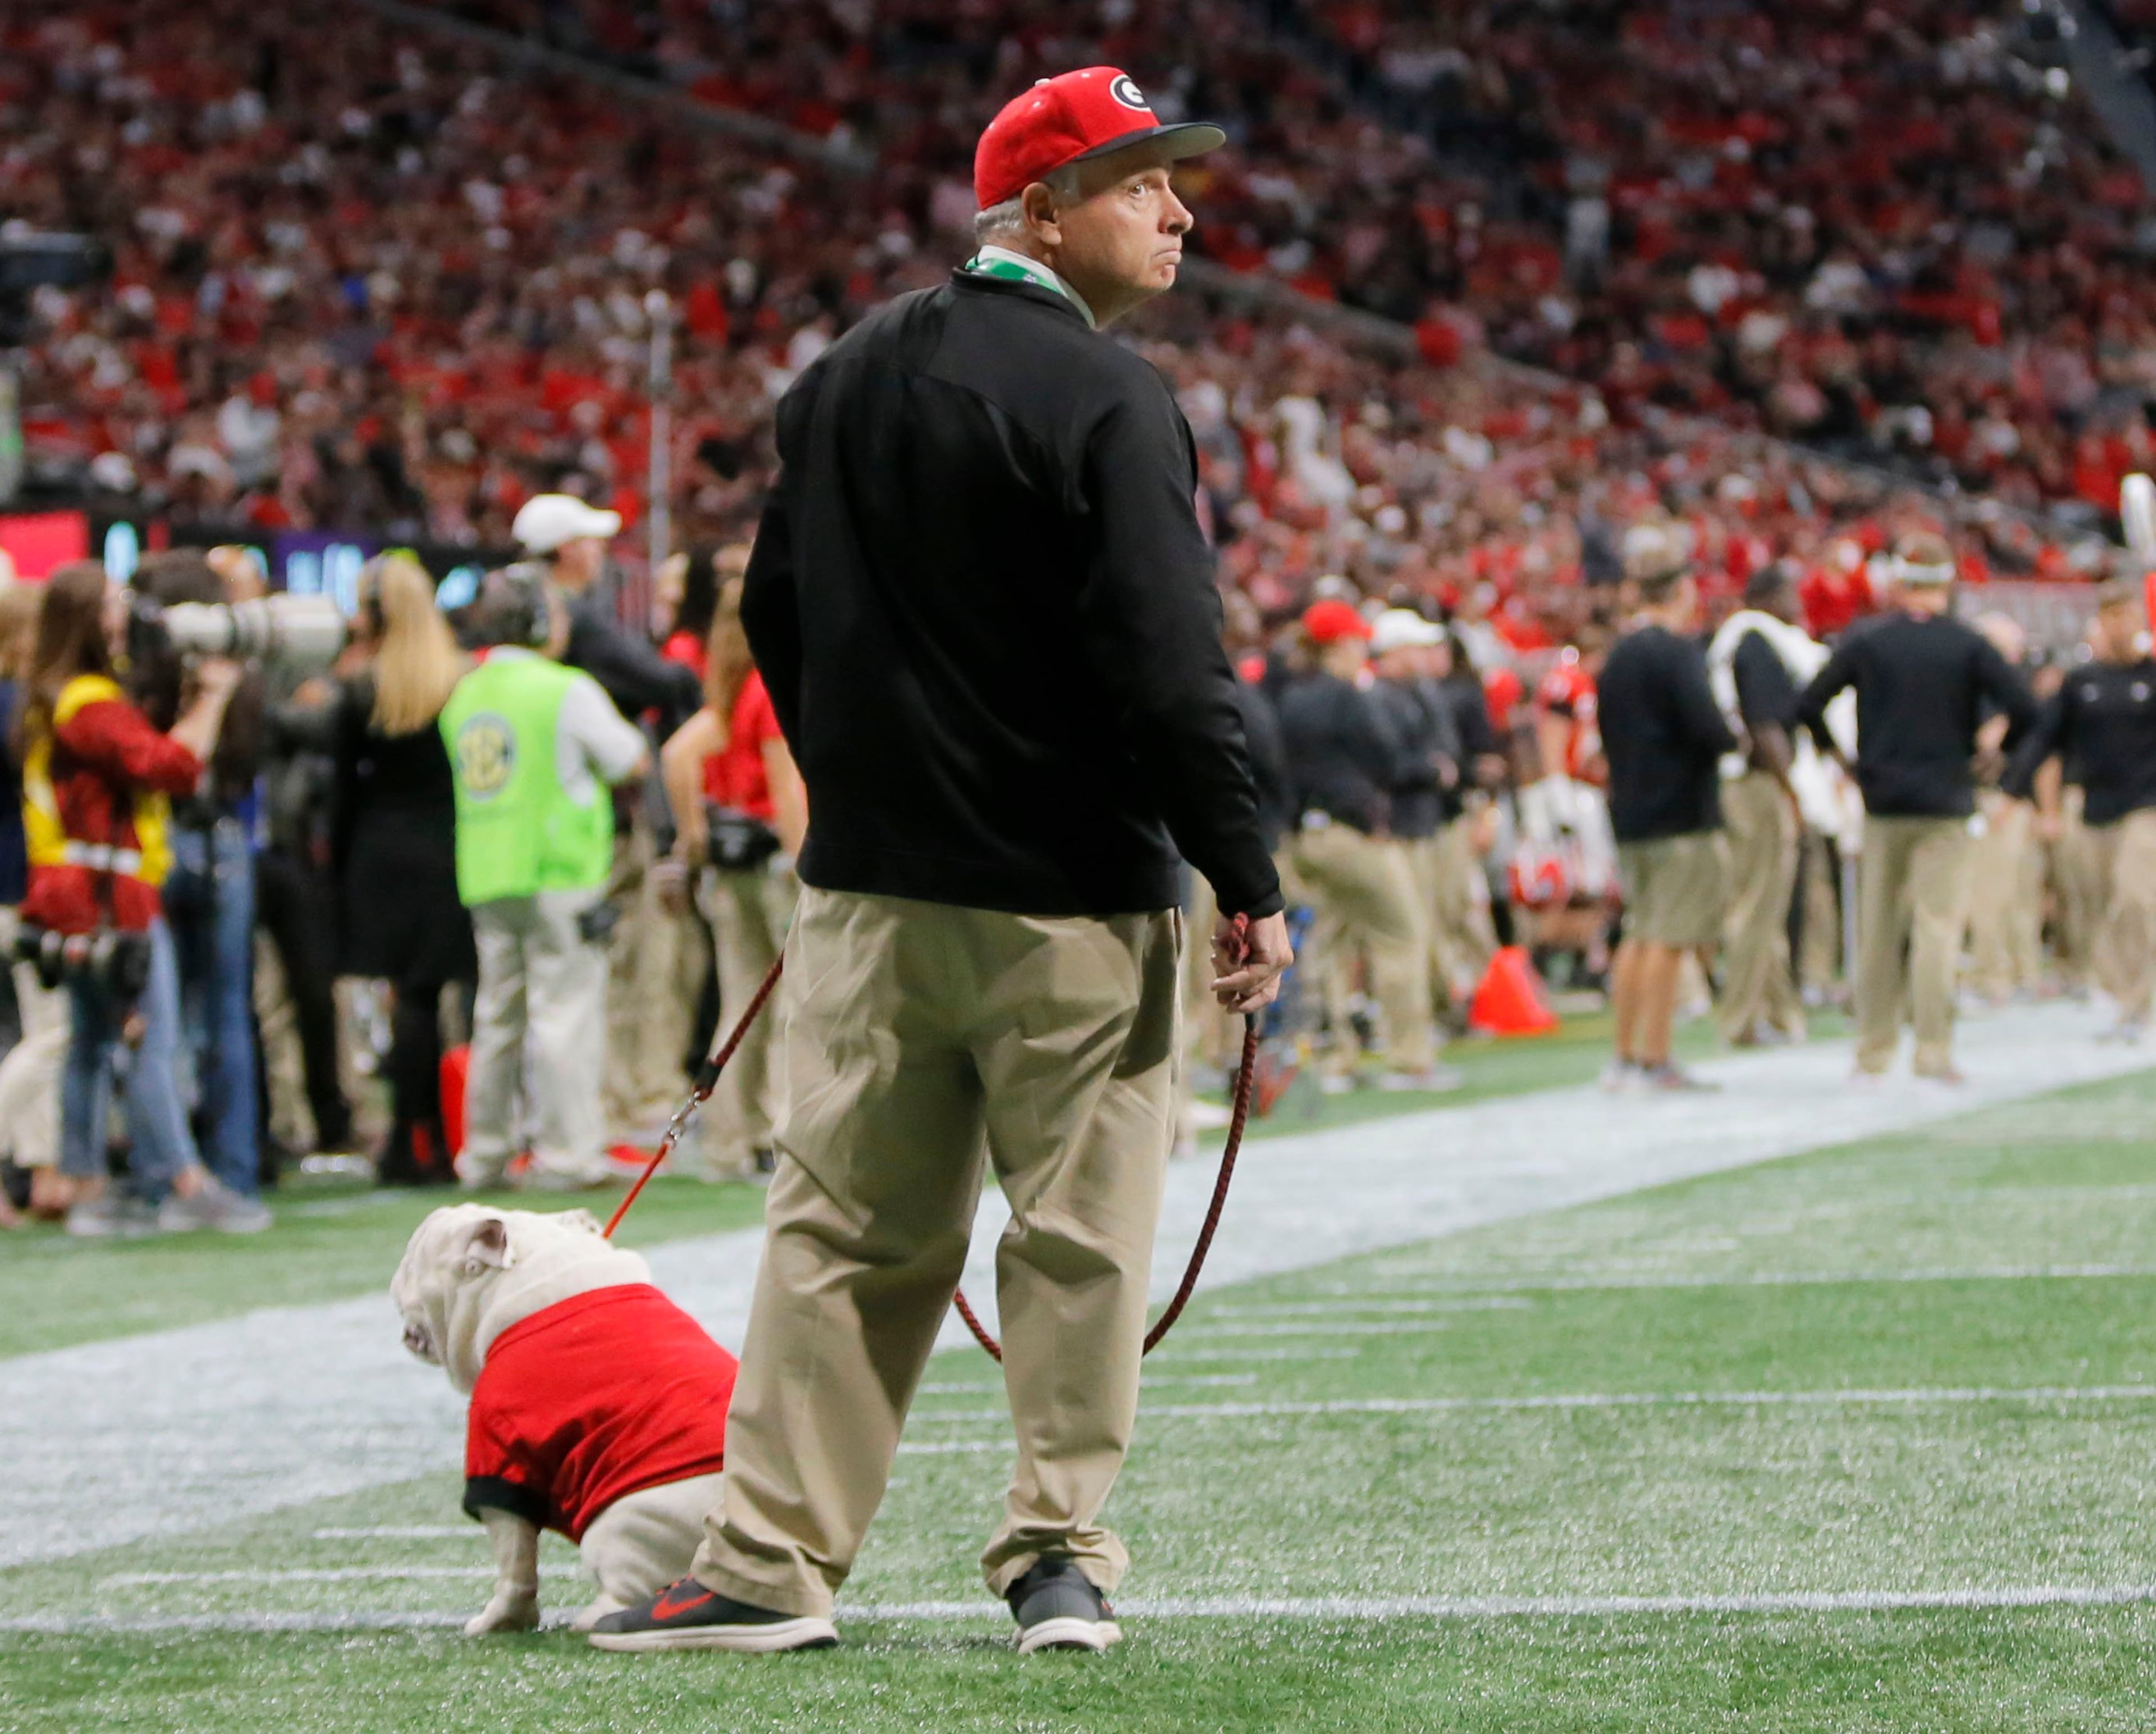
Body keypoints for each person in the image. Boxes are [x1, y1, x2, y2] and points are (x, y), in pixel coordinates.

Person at [591, 66, 1289, 1658]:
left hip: (874, 899)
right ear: (1040, 210)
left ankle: (769, 1562)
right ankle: (1057, 1558)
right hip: (1076, 903)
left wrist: (872, 790)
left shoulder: (838, 377)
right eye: (1140, 184)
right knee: (1080, 1240)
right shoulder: (1114, 398)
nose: (1178, 211)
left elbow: (767, 616)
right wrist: (1244, 870)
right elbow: (1172, 667)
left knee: (840, 1234)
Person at [17, 560, 268, 1235]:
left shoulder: (60, 694)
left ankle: (86, 1182)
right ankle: (184, 1180)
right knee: (149, 1035)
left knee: (92, 1043)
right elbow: (175, 769)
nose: (126, 612)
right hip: (107, 894)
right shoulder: (89, 702)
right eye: (112, 602)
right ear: (87, 619)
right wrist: (212, 699)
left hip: (77, 890)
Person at [1796, 533, 2036, 1083]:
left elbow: (1809, 702)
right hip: (1947, 800)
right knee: (1938, 927)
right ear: (1946, 583)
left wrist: (1843, 759)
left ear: (1900, 584)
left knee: (1879, 930)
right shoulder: (1967, 645)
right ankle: (1933, 1049)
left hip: (1882, 801)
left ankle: (1872, 1051)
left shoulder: (1869, 640)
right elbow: (2025, 705)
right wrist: (1991, 750)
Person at [443, 564, 648, 1189]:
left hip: (486, 871)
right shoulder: (565, 688)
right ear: (536, 622)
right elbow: (629, 759)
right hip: (559, 871)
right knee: (565, 1013)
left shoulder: (465, 692)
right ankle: (566, 1151)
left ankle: (484, 1153)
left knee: (497, 1016)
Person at [278, 552, 476, 1182]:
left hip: (379, 852)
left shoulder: (362, 688)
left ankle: (404, 1137)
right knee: (432, 994)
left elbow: (340, 789)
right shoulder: (460, 678)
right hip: (447, 847)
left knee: (407, 997)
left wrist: (330, 869)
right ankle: (437, 1141)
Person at [659, 573, 807, 1179]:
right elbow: (787, 786)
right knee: (792, 1002)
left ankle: (728, 1138)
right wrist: (806, 866)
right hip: (774, 862)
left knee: (740, 1001)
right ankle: (779, 1127)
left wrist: (692, 834)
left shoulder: (728, 686)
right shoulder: (770, 688)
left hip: (730, 864)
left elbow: (677, 755)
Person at [132, 550, 270, 1199]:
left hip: (163, 841)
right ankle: (230, 1166)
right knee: (225, 1014)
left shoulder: (144, 680)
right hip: (226, 843)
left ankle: (170, 1171)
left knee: (166, 1017)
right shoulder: (238, 671)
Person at [1277, 599, 1447, 1088]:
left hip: (1309, 836)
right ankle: (1409, 1055)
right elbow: (1388, 760)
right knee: (1401, 933)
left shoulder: (1292, 697)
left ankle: (1335, 1058)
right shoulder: (1350, 697)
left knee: (1331, 944)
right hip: (1352, 833)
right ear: (1343, 644)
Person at [1596, 526, 1736, 1091]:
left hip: (1630, 809)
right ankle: (1654, 1057)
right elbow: (1707, 727)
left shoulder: (1617, 656)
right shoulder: (1676, 652)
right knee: (1668, 937)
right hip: (1679, 811)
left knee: (1639, 932)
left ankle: (1626, 1054)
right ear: (1680, 590)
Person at [2011, 578, 2156, 1039]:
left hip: (2146, 807)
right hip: (2095, 808)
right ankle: (2122, 994)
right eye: (2113, 615)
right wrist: (2013, 790)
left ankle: (2140, 1003)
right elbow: (2044, 739)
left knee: (2138, 900)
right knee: (2097, 907)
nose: (2122, 624)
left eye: (2129, 614)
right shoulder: (2081, 683)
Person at [1704, 567, 1820, 1047]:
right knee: (1755, 905)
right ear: (1768, 597)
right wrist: (1792, 791)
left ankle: (1780, 1013)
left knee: (1764, 900)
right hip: (1757, 784)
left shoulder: (1736, 639)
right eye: (1790, 592)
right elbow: (1767, 726)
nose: (1798, 602)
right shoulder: (1756, 641)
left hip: (1741, 782)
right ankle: (1739, 1018)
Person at [0, 577, 68, 1219]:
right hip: (20, 888)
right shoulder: (22, 707)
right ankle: (38, 1171)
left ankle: (38, 1177)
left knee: (24, 1032)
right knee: (51, 1031)